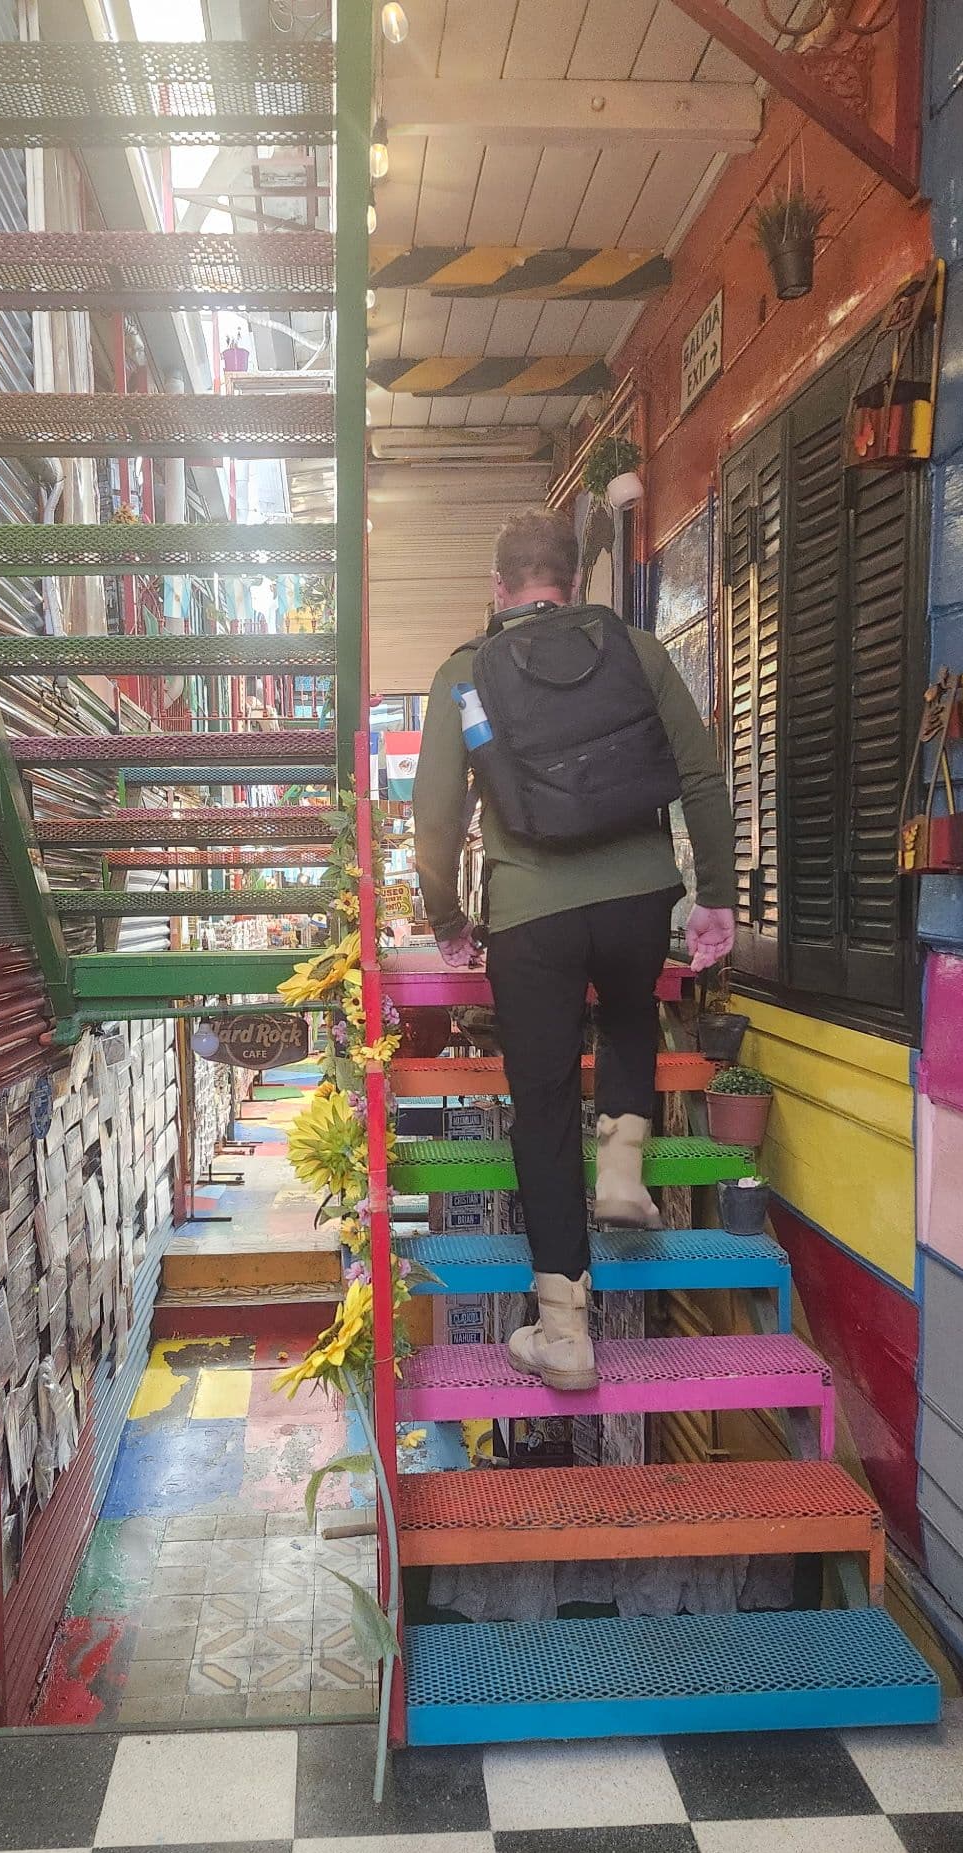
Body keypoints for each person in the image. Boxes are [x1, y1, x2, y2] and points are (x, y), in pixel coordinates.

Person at [413, 507, 736, 1394]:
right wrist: (717, 897)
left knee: (545, 1103)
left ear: (499, 588)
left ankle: (564, 1333)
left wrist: (446, 921)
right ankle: (625, 1165)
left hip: (531, 919)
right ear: (574, 582)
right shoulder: (637, 648)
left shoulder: (463, 675)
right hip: (640, 900)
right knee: (630, 1006)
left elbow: (435, 820)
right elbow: (703, 776)